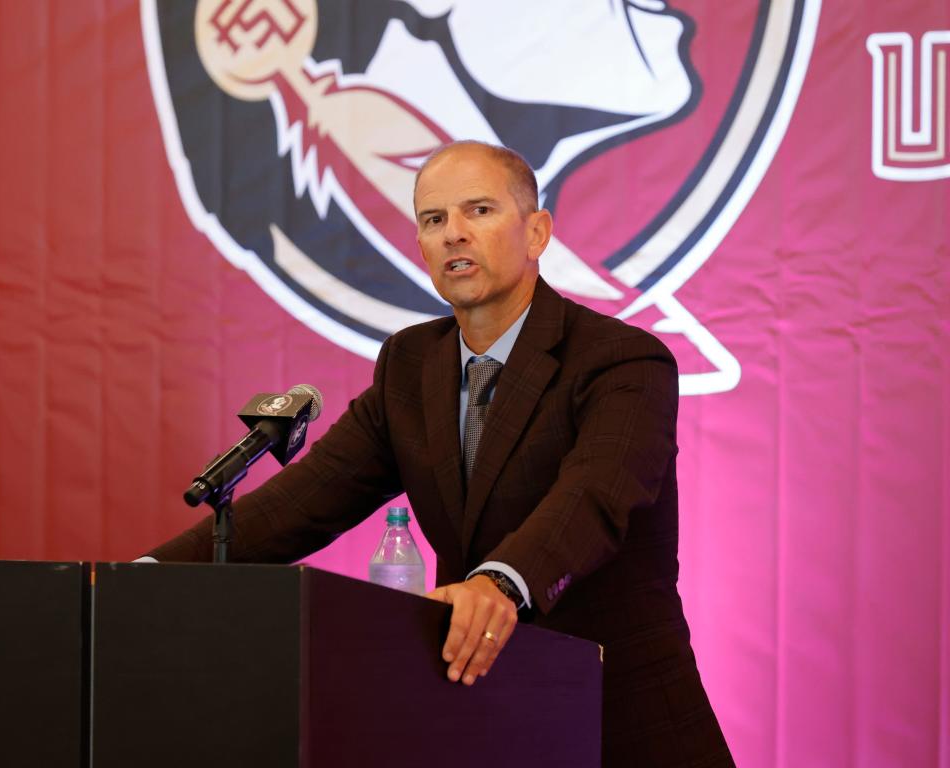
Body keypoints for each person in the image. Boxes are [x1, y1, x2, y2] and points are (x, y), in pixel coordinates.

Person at [147, 141, 733, 766]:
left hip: (618, 716)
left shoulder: (623, 360)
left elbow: (592, 497)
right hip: (476, 711)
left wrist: (498, 583)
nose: (453, 234)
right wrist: (142, 577)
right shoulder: (410, 365)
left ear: (537, 233)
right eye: (433, 220)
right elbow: (309, 497)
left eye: (478, 211)